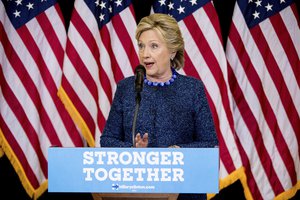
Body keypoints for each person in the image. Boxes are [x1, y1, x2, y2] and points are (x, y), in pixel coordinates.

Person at [100, 13, 218, 200]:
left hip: (184, 192)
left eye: (154, 46)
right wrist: (133, 151)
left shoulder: (192, 88)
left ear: (172, 51)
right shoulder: (127, 88)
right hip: (136, 191)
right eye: (141, 45)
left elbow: (209, 143)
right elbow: (107, 140)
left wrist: (176, 152)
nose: (145, 54)